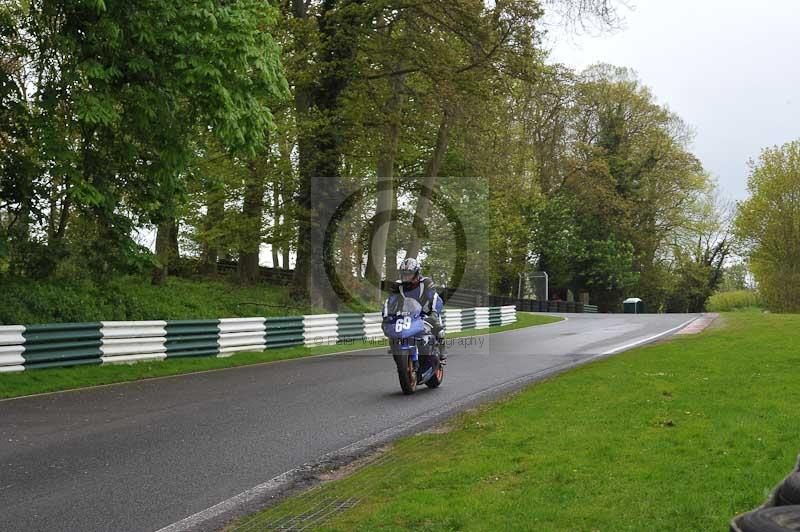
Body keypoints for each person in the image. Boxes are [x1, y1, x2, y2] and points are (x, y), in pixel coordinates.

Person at [394, 257, 447, 361]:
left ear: (416, 273)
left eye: (409, 274)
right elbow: (393, 301)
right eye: (404, 274)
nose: (406, 277)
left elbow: (434, 298)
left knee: (438, 328)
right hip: (410, 312)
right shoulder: (398, 285)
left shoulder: (426, 282)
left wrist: (434, 313)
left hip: (428, 310)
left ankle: (442, 350)